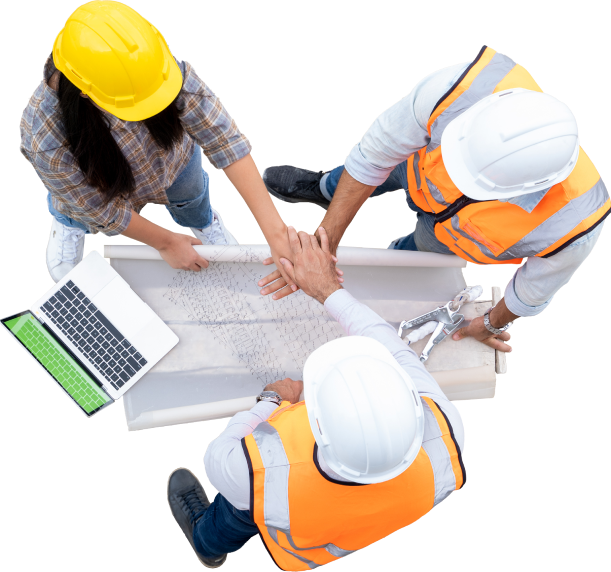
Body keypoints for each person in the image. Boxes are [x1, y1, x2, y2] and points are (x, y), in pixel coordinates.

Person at [259, 45, 611, 354]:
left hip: (443, 239)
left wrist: (488, 324)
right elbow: (373, 158)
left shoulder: (573, 224)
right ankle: (324, 190)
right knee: (349, 181)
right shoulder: (461, 91)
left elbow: (528, 294)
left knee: (404, 264)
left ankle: (384, 265)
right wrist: (326, 241)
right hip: (410, 169)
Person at [167, 226, 465, 571]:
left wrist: (271, 400)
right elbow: (390, 345)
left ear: (316, 421)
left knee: (235, 514)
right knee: (257, 501)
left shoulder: (256, 470)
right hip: (332, 531)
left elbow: (218, 454)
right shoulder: (445, 433)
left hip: (273, 510)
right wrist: (328, 289)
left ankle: (208, 545)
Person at [18, 0, 301, 290]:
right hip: (93, 186)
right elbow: (99, 207)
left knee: (192, 195)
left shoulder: (156, 66)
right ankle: (68, 224)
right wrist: (164, 243)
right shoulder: (45, 139)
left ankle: (202, 223)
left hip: (171, 163)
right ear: (84, 92)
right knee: (75, 207)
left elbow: (224, 140)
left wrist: (276, 234)